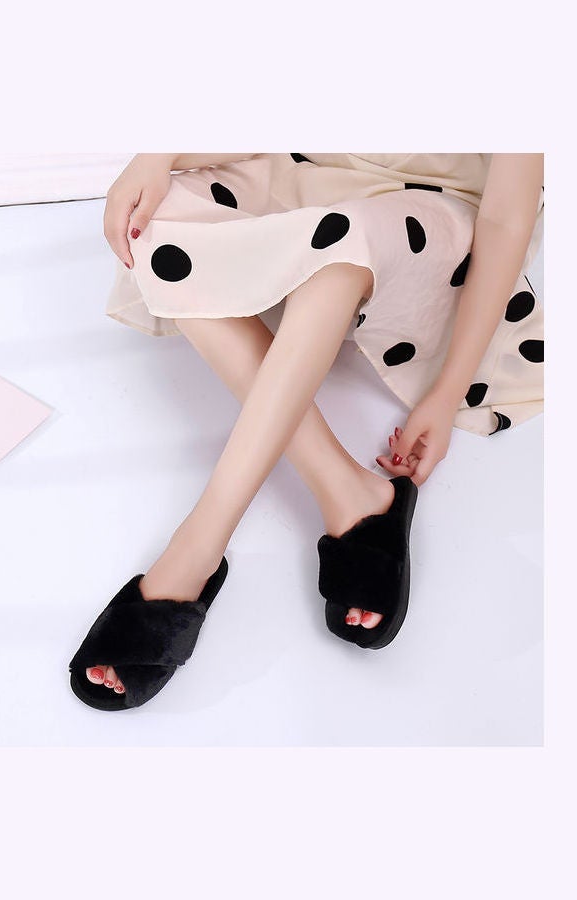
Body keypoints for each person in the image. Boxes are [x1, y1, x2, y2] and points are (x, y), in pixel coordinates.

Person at [68, 152, 544, 710]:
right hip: (312, 175)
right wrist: (159, 157)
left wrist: (446, 392)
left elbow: (505, 220)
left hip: (432, 212)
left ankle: (198, 545)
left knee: (344, 245)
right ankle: (347, 491)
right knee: (153, 218)